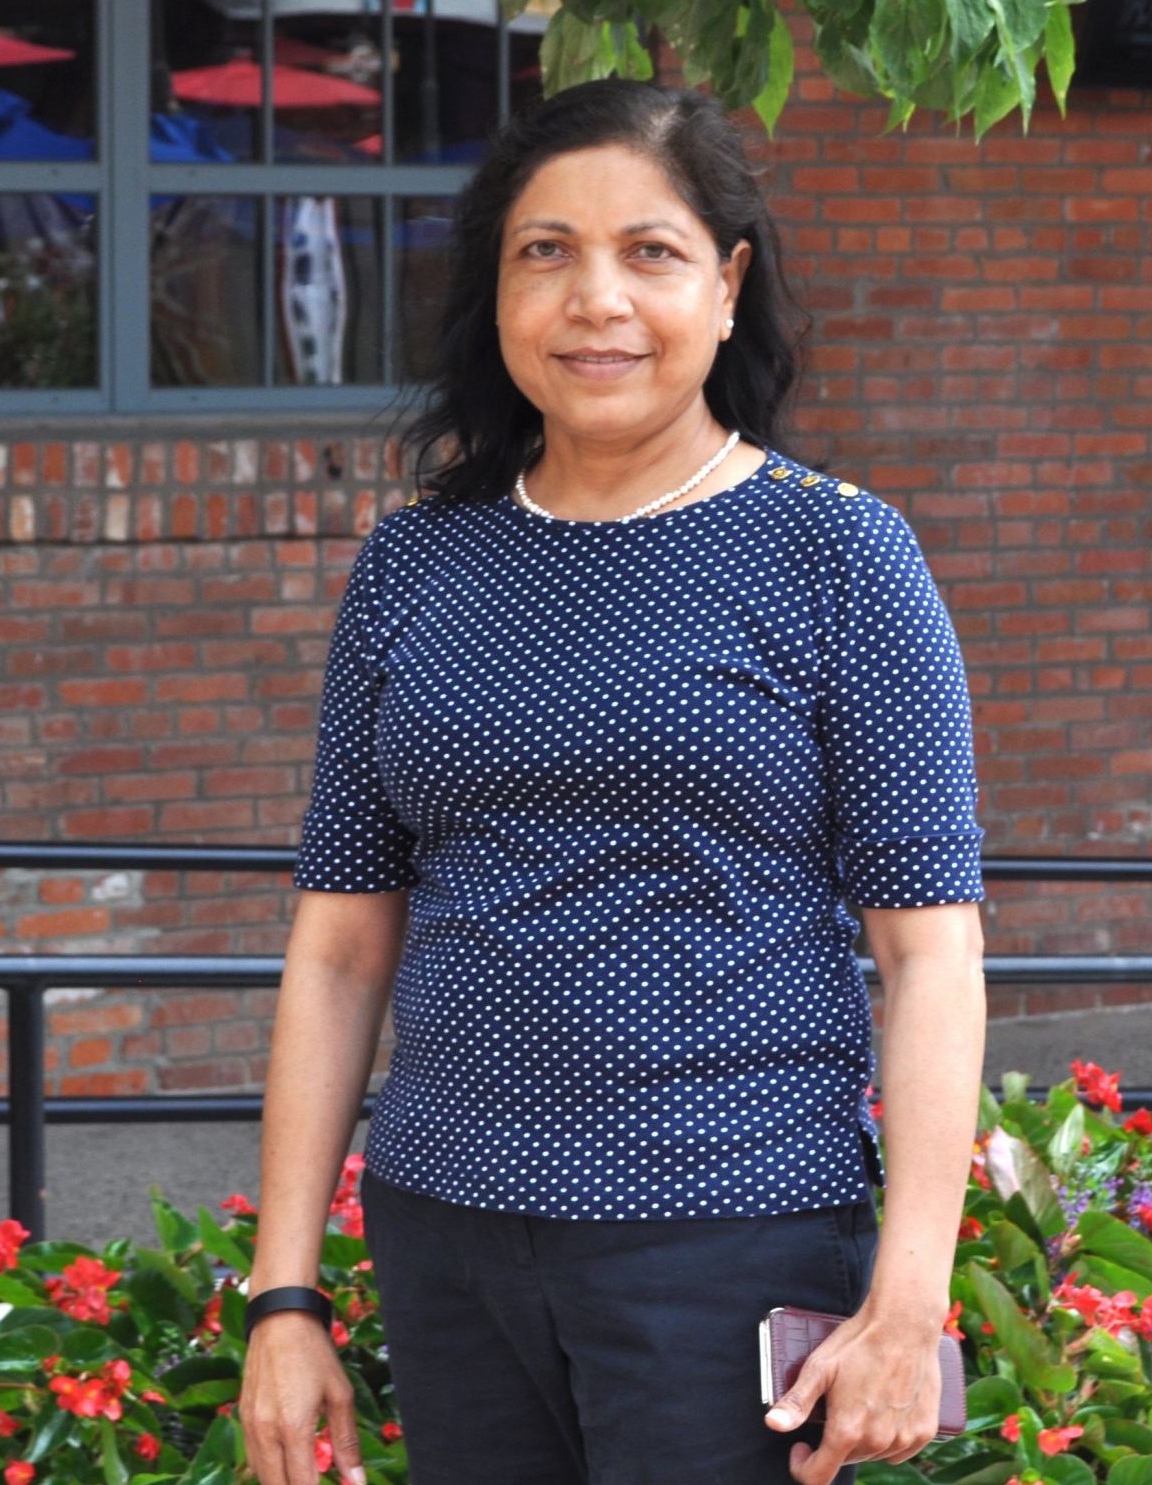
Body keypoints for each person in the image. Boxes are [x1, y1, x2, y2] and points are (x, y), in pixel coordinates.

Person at [236, 76, 988, 1485]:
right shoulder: (415, 566)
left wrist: (908, 1302)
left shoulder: (837, 557)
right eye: (546, 251)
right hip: (443, 1233)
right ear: (498, 287)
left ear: (726, 285)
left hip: (730, 1240)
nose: (596, 299)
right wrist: (285, 1293)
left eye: (650, 251)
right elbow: (337, 950)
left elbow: (929, 951)